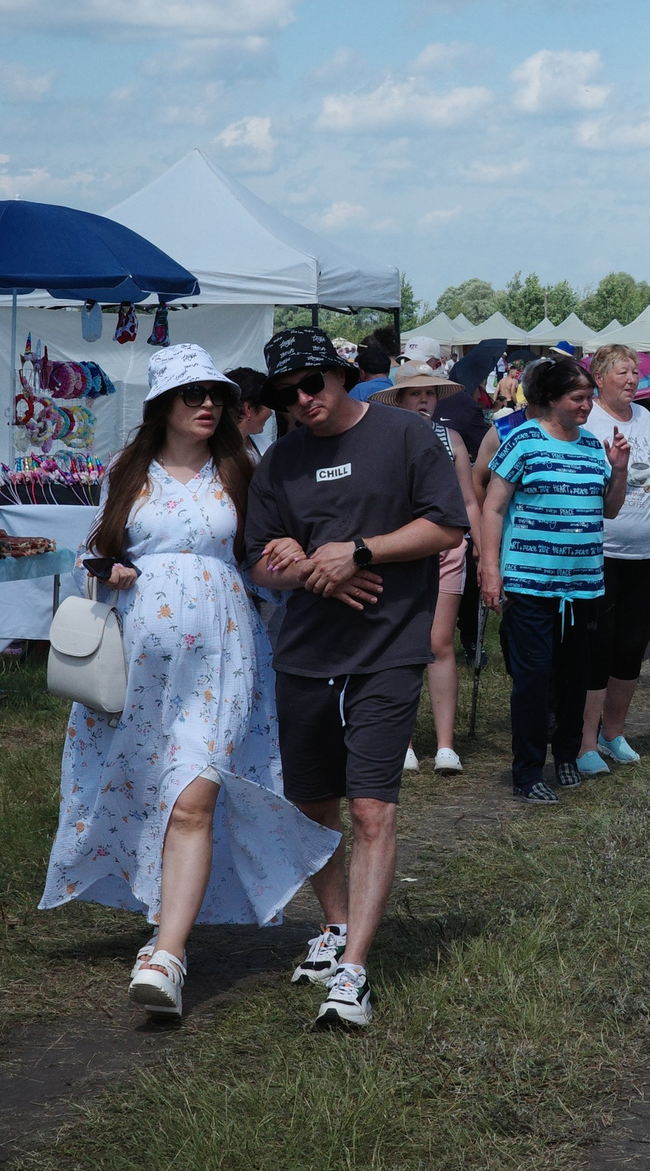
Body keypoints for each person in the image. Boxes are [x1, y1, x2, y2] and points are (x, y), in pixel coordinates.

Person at [42, 345, 339, 1023]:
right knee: (155, 790)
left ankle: (168, 955)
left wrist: (295, 561)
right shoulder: (129, 471)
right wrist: (108, 568)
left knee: (193, 795)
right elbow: (97, 547)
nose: (207, 404)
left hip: (224, 653)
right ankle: (164, 921)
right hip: (142, 659)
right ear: (162, 406)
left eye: (216, 395)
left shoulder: (241, 468)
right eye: (191, 394)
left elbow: (260, 556)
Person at [243, 330, 468, 1029]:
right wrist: (307, 565)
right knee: (311, 810)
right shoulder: (277, 462)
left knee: (372, 809)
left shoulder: (405, 435)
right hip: (305, 653)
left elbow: (447, 526)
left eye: (312, 384)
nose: (302, 400)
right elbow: (258, 560)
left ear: (340, 375)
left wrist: (360, 551)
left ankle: (356, 973)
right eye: (285, 395)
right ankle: (336, 927)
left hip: (387, 648)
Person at [476, 354, 630, 805]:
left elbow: (610, 509)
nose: (587, 406)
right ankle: (526, 770)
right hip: (528, 583)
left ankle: (565, 753)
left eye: (589, 398)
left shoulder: (590, 446)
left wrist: (618, 468)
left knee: (573, 676)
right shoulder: (522, 440)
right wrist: (490, 568)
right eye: (578, 398)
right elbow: (493, 507)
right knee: (532, 678)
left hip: (581, 585)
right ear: (551, 399)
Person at [375, 364, 480, 776]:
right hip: (400, 550)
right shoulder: (384, 438)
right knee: (400, 642)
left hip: (448, 549)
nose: (423, 400)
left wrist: (475, 544)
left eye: (431, 394)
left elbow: (468, 499)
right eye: (415, 394)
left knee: (440, 642)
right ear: (399, 399)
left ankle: (445, 745)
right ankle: (401, 741)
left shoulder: (451, 438)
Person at [578, 344, 650, 775]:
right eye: (622, 373)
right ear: (599, 378)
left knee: (632, 644)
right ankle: (585, 741)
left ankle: (614, 732)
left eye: (634, 373)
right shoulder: (589, 420)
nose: (631, 380)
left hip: (645, 549)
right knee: (600, 645)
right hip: (603, 550)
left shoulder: (645, 418)